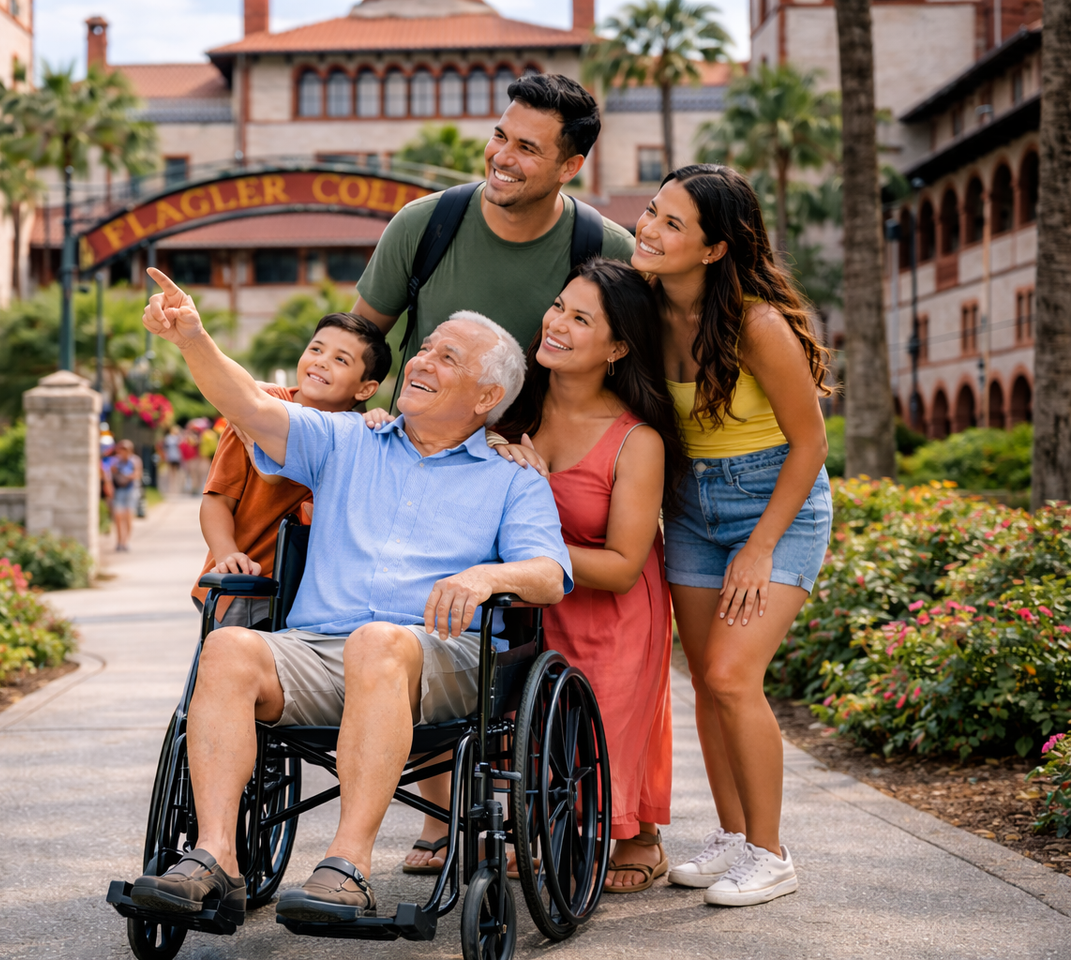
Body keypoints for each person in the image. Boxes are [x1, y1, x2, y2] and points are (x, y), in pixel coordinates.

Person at [128, 268, 571, 928]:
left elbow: (549, 572)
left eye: (445, 356)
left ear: (487, 395)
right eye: (424, 349)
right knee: (228, 648)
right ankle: (215, 857)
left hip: (438, 660)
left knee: (379, 642)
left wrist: (485, 577)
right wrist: (192, 337)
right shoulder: (348, 440)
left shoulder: (511, 476)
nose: (420, 360)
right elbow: (249, 405)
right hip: (318, 652)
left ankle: (347, 866)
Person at [388, 260, 688, 889]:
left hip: (608, 607)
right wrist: (381, 423)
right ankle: (541, 824)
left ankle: (637, 836)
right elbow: (428, 447)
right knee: (517, 722)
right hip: (520, 605)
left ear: (618, 346)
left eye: (582, 319)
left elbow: (623, 565)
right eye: (559, 307)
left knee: (596, 732)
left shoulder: (637, 439)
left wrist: (534, 504)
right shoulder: (507, 407)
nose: (556, 324)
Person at [635, 164, 831, 907]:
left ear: (715, 248)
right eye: (652, 212)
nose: (649, 229)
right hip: (689, 507)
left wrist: (760, 546)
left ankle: (771, 852)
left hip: (775, 504)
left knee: (729, 676)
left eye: (672, 223)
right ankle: (731, 835)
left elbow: (810, 444)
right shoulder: (645, 310)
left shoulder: (757, 324)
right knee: (707, 687)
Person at [351, 74, 635, 360]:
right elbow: (353, 350)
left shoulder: (610, 250)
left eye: (526, 148)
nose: (501, 157)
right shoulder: (422, 224)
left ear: (569, 168)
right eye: (500, 136)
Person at [194, 313, 392, 629]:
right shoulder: (257, 406)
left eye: (341, 359)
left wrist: (377, 420)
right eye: (316, 349)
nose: (322, 362)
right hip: (249, 586)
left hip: (317, 598)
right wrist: (226, 554)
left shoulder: (361, 432)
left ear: (366, 389)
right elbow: (217, 499)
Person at [108, 438, 143, 553]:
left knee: (128, 516)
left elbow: (138, 474)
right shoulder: (115, 461)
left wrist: (126, 476)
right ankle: (119, 541)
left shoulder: (135, 460)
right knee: (118, 516)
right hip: (119, 491)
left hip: (130, 490)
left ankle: (126, 541)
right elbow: (110, 473)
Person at [161, 426, 183, 497]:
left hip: (176, 457)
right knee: (171, 472)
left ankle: (175, 488)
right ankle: (171, 488)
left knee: (175, 473)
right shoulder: (170, 438)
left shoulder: (178, 438)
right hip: (171, 457)